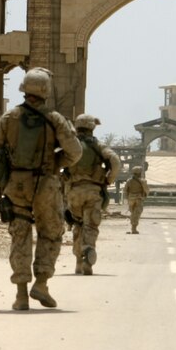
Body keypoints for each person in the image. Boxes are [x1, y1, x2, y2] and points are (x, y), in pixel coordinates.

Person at [0, 68, 82, 310]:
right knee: (50, 233)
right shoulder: (56, 119)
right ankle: (41, 283)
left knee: (20, 235)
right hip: (46, 184)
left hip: (15, 185)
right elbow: (75, 152)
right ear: (46, 90)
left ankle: (21, 295)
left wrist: (0, 183)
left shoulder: (8, 119)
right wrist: (56, 163)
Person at [65, 115, 122, 274]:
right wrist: (109, 179)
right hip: (93, 191)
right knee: (90, 226)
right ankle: (87, 253)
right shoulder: (98, 145)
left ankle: (78, 260)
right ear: (92, 128)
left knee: (77, 223)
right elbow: (115, 162)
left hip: (73, 192)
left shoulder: (71, 146)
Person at [122, 165, 150, 234]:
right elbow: (146, 190)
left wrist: (127, 198)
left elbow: (125, 190)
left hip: (131, 199)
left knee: (133, 213)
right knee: (136, 214)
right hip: (138, 199)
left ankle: (133, 227)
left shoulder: (129, 181)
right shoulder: (143, 181)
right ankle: (134, 228)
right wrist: (144, 196)